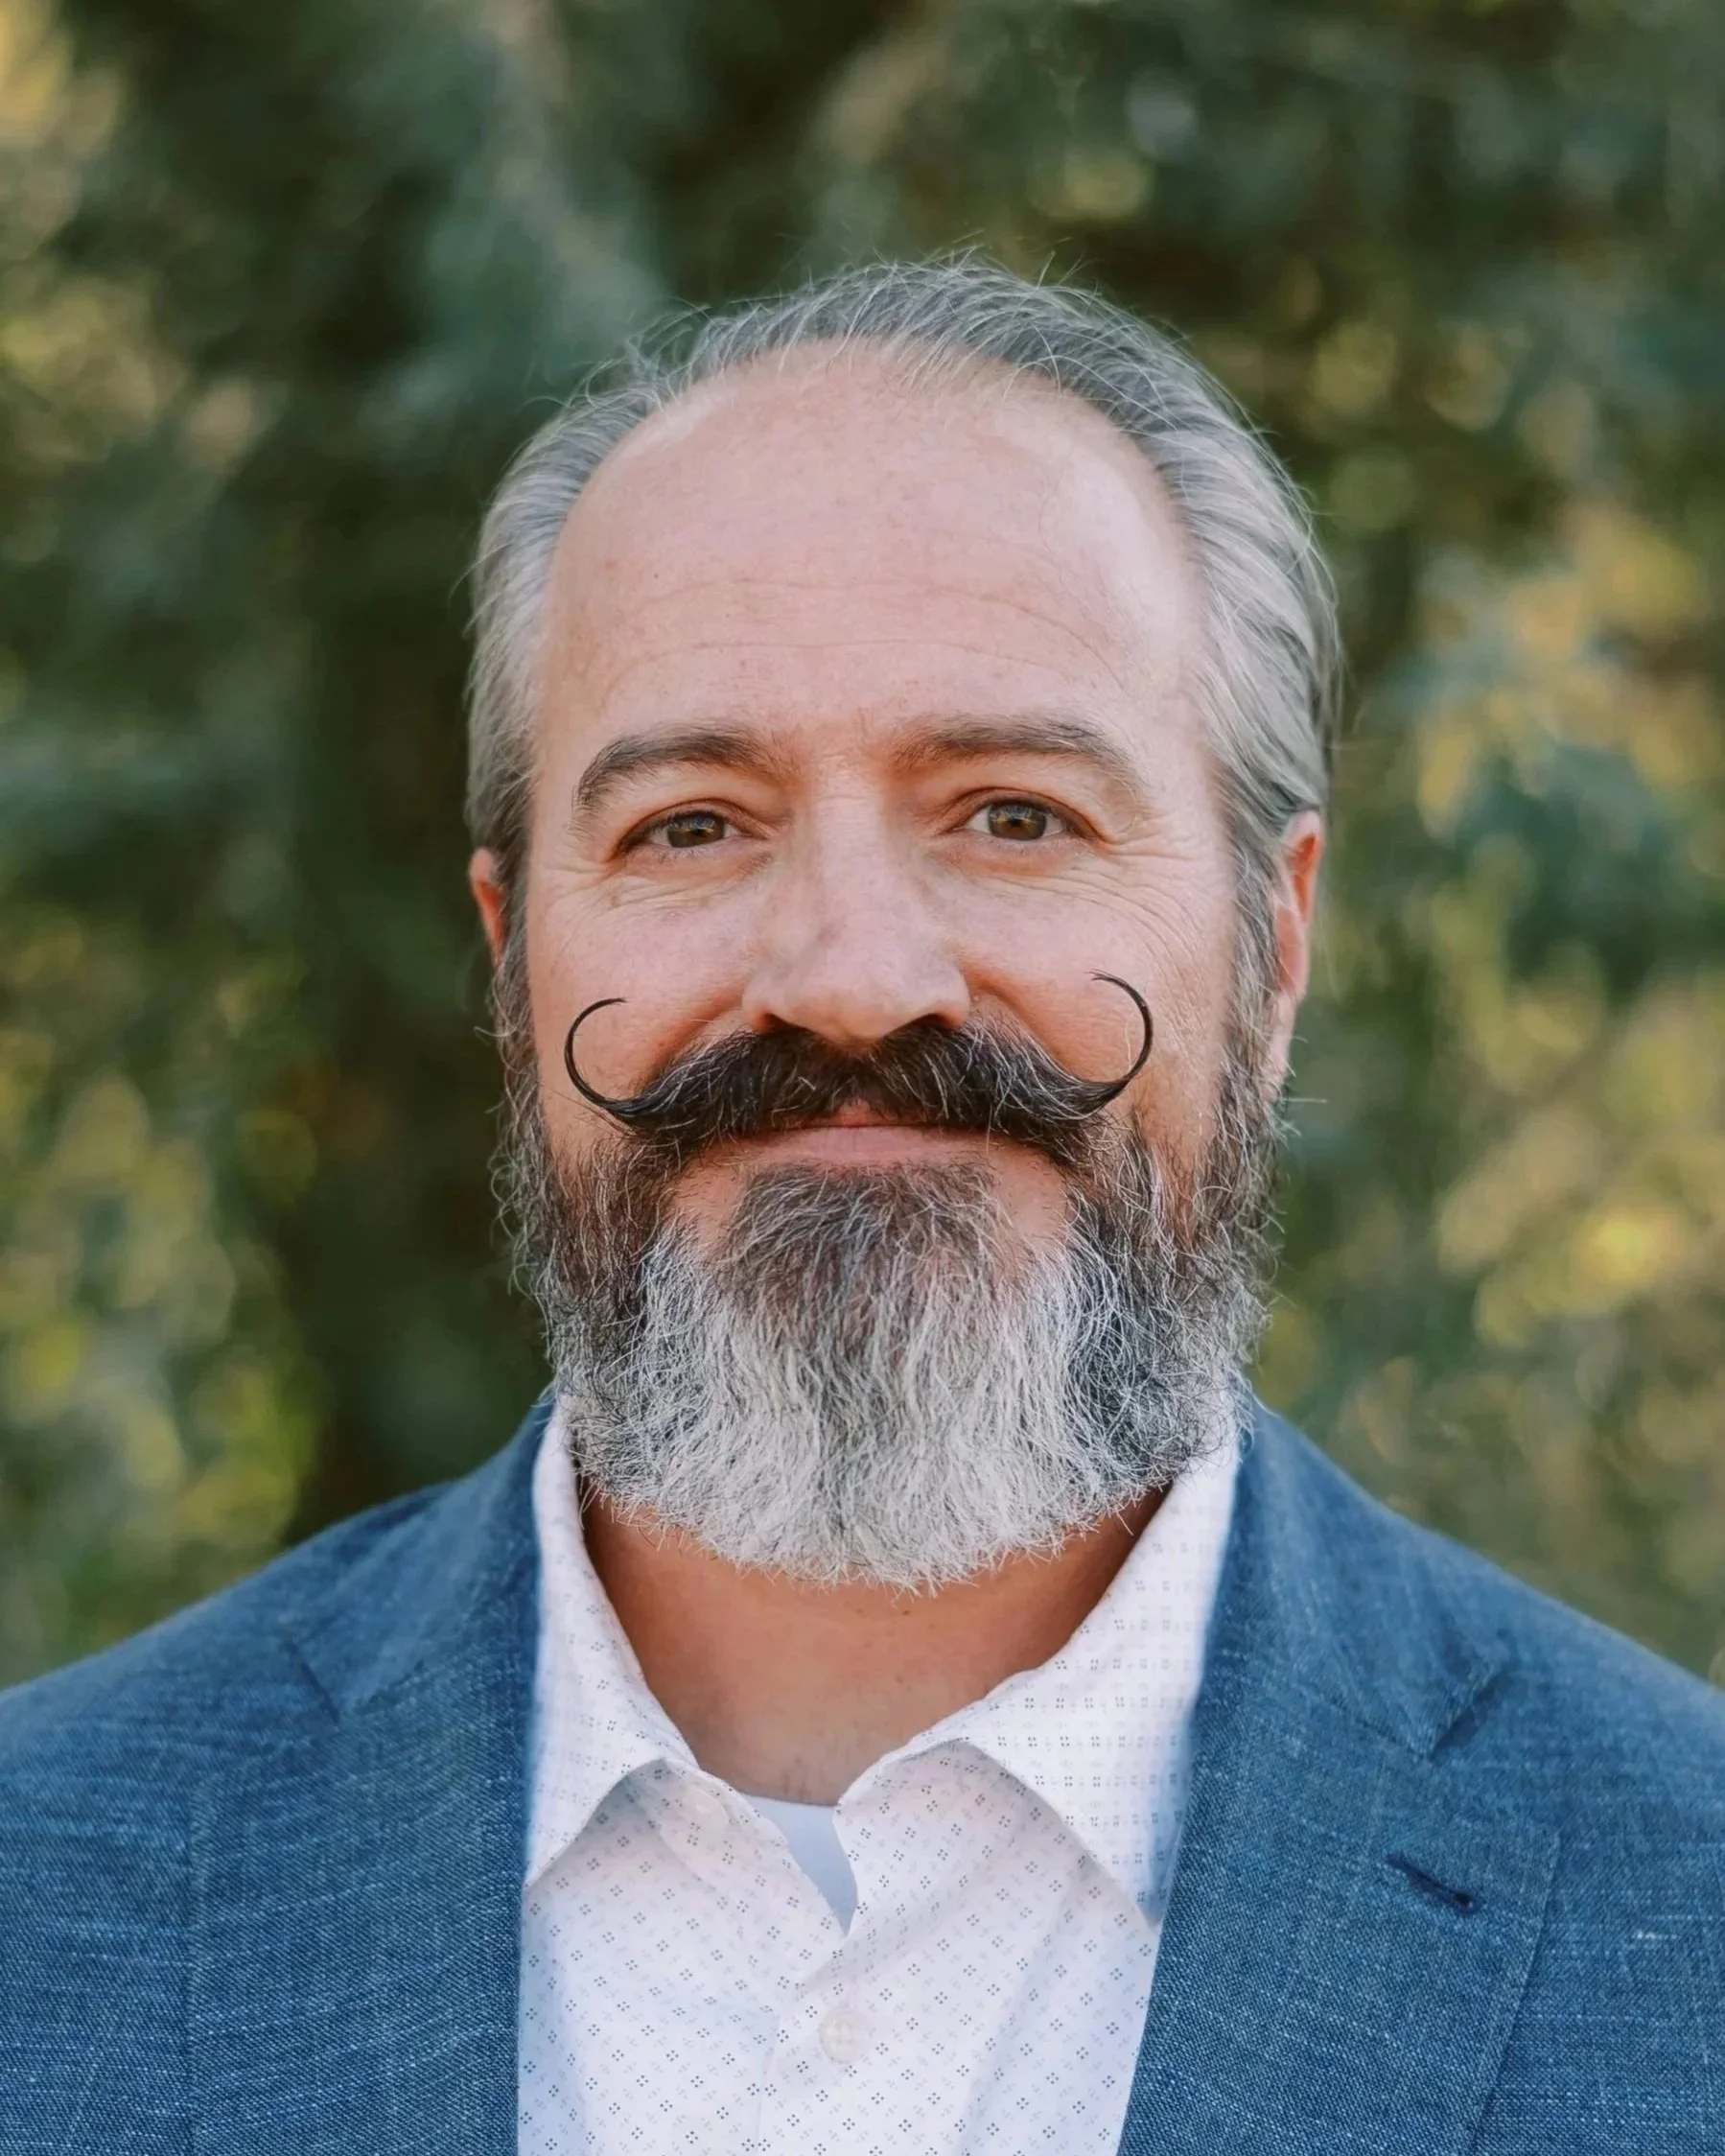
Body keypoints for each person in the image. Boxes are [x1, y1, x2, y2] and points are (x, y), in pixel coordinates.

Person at [2, 260, 1720, 2156]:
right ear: (510, 956)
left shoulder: (1682, 1914)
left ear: (1273, 940)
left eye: (1008, 813)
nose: (844, 977)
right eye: (691, 825)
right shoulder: (42, 1888)